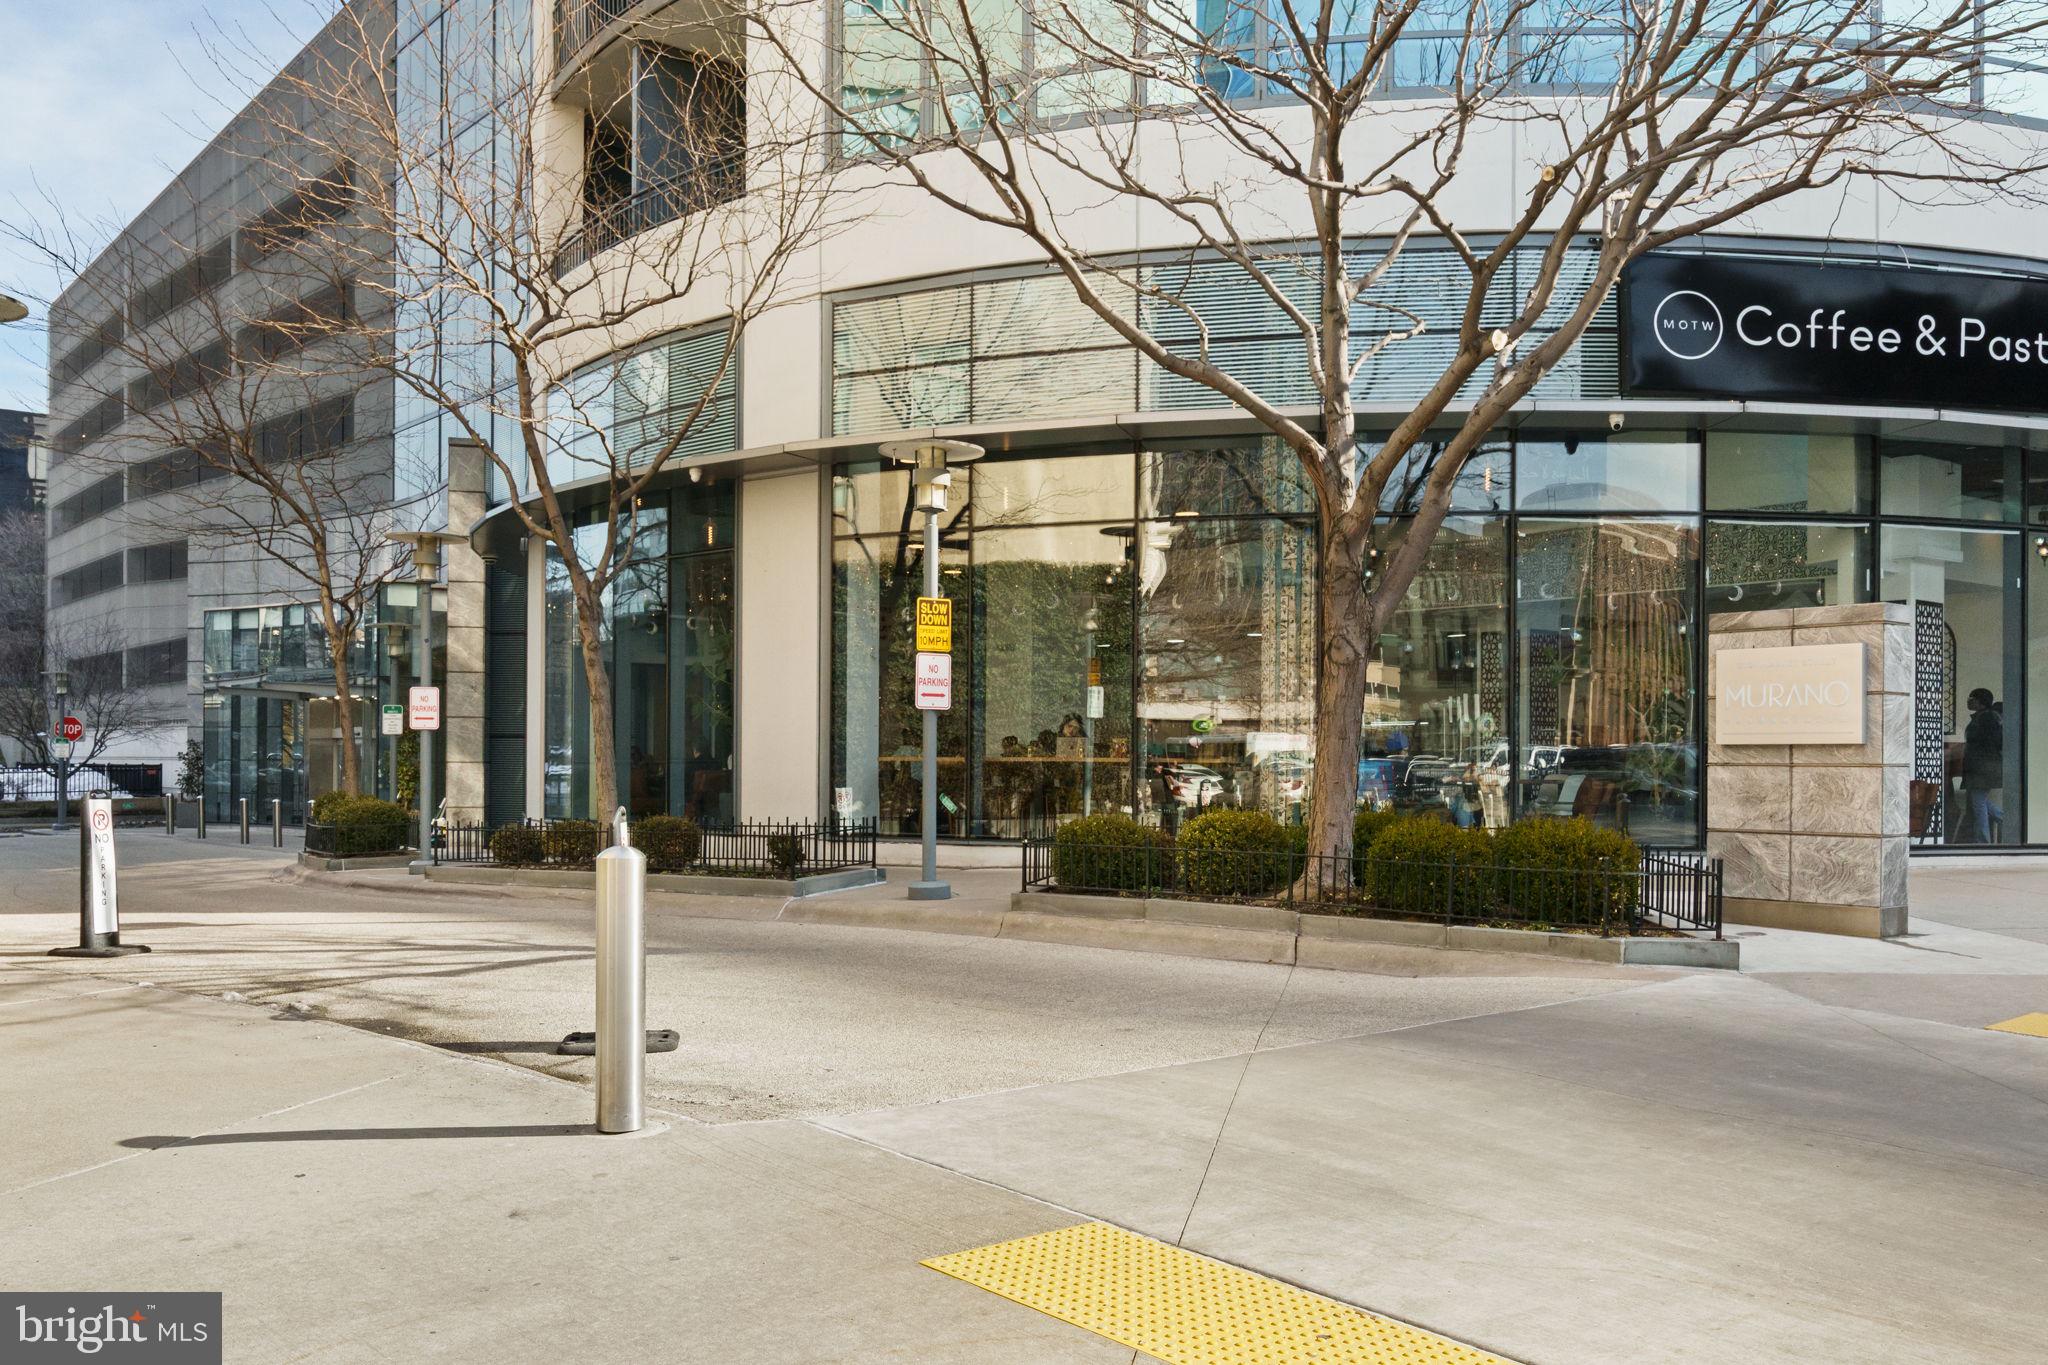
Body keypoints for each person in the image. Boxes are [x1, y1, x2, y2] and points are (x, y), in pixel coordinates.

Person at [1961, 687, 2005, 844]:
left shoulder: (1987, 718)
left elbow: (1987, 744)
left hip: (1982, 769)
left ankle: (1983, 842)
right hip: (1981, 768)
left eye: (1972, 697)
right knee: (1979, 801)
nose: (1969, 700)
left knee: (1978, 805)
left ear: (1981, 702)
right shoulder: (1985, 717)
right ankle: (2007, 823)